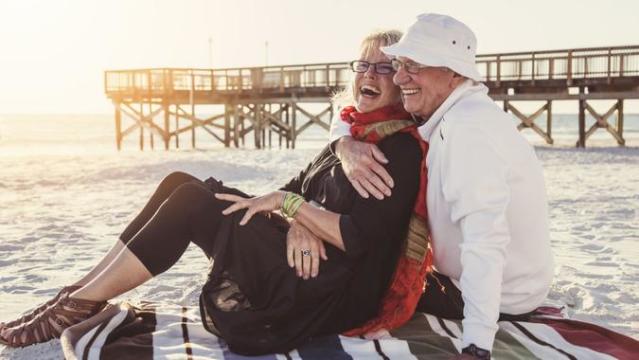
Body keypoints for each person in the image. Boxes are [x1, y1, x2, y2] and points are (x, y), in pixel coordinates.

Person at [0, 30, 431, 356]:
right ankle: (77, 294)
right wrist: (297, 216)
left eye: (383, 68)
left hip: (325, 292)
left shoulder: (398, 151)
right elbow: (292, 188)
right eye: (362, 65)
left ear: (402, 80)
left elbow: (357, 237)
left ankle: (77, 304)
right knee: (182, 182)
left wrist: (293, 210)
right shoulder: (350, 138)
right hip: (305, 258)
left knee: (192, 204)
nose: (368, 75)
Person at [330, 13, 554, 359]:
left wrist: (477, 344)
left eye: (413, 65)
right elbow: (346, 112)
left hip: (499, 295)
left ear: (453, 73)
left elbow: (485, 241)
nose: (401, 76)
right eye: (400, 64)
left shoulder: (467, 131)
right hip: (511, 285)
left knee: (358, 281)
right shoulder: (452, 111)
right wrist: (343, 145)